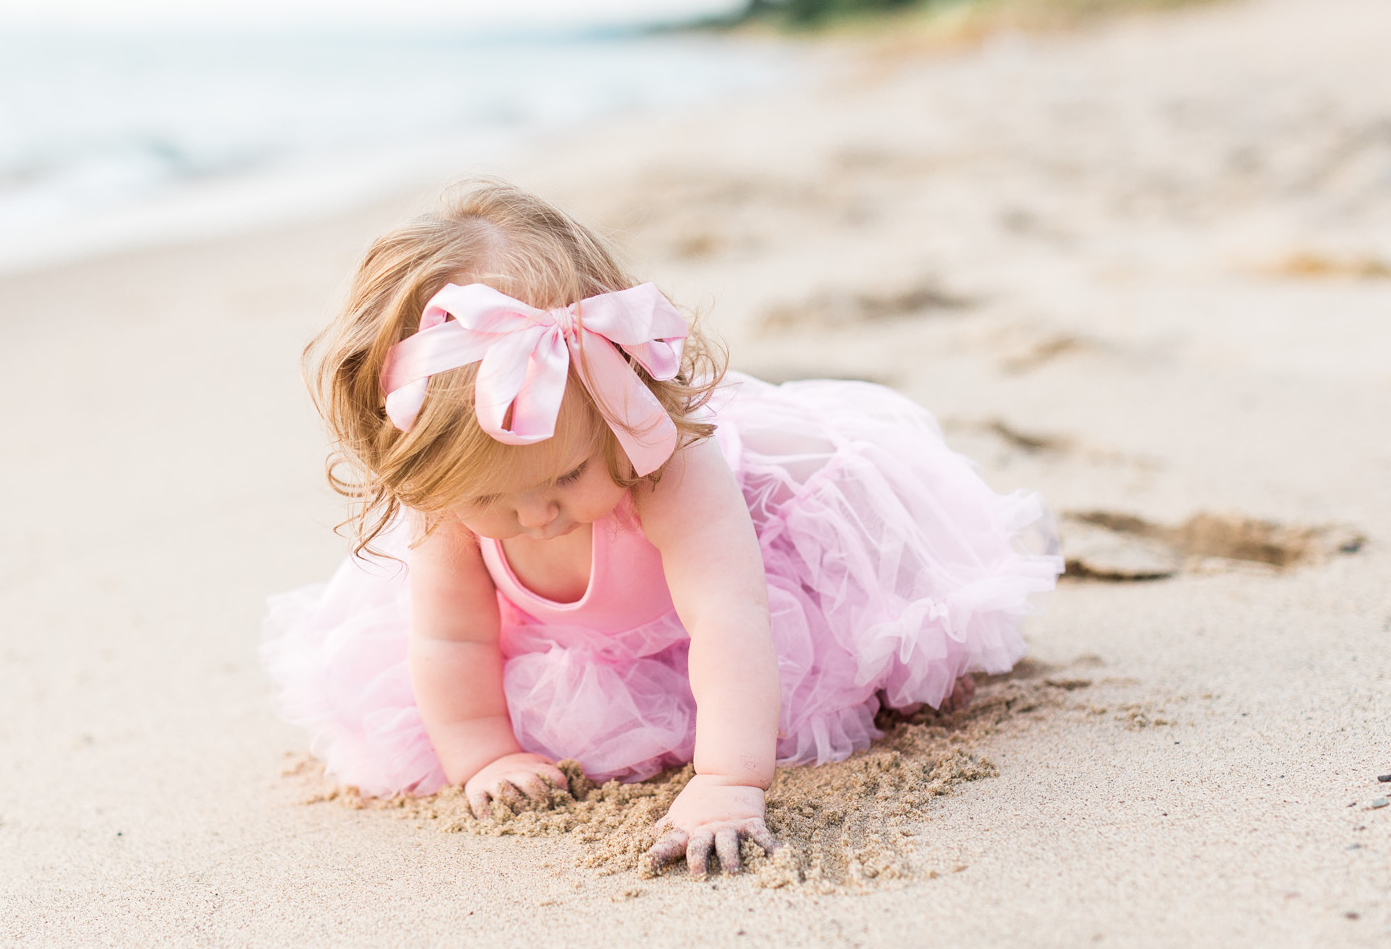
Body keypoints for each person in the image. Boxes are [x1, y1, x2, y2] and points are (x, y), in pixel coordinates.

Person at [262, 182, 1061, 876]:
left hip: (749, 595)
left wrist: (727, 780)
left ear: (621, 400)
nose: (536, 515)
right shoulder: (445, 509)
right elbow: (453, 642)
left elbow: (728, 616)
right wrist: (486, 754)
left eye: (567, 476)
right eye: (497, 502)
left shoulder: (664, 463)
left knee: (873, 656)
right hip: (585, 644)